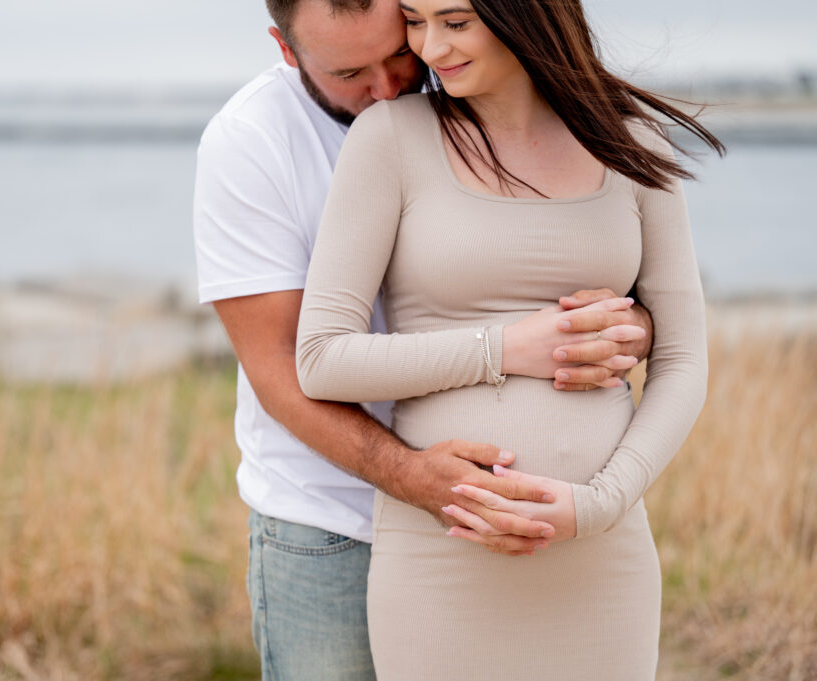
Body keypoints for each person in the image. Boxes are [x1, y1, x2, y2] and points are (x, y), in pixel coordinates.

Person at [193, 0, 654, 678]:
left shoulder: (457, 77)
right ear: (287, 50)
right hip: (329, 522)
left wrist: (629, 326)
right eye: (351, 71)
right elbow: (282, 369)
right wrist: (412, 476)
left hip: (509, 526)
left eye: (397, 51)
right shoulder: (250, 141)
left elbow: (563, 257)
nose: (389, 86)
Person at [294, 0, 723, 678]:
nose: (430, 48)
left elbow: (683, 358)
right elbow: (321, 359)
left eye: (455, 21)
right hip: (443, 558)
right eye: (415, 19)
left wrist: (601, 503)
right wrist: (503, 348)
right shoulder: (391, 139)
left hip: (601, 559)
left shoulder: (632, 141)